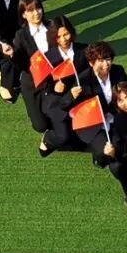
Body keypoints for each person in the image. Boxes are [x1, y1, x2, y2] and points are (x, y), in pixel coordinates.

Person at [77, 42, 127, 165]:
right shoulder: (83, 80)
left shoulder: (118, 71)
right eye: (101, 60)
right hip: (95, 124)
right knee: (103, 153)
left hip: (116, 118)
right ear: (91, 63)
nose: (106, 64)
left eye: (108, 59)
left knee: (119, 149)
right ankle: (99, 159)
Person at [41, 15, 87, 155]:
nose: (63, 39)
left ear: (71, 32)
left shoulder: (84, 50)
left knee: (84, 140)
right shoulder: (48, 57)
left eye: (66, 34)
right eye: (58, 36)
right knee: (63, 137)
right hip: (58, 102)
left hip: (80, 99)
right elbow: (44, 84)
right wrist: (54, 88)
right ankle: (48, 138)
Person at [12, 0, 53, 135]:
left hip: (53, 81)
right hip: (32, 84)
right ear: (23, 14)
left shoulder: (52, 27)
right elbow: (20, 62)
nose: (36, 13)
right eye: (30, 10)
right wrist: (12, 55)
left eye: (38, 8)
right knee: (40, 126)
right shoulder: (20, 35)